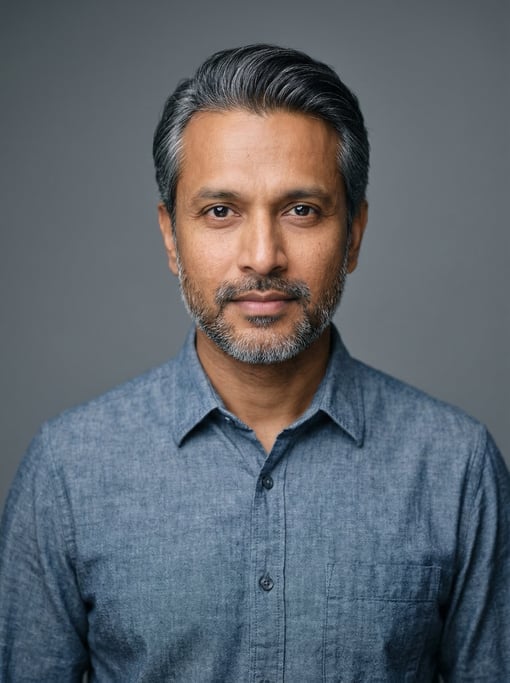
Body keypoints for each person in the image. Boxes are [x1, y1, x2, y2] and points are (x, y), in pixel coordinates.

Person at [0, 44, 509, 682]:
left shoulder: (456, 469)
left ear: (352, 234)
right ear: (170, 236)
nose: (263, 256)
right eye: (221, 211)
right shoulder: (67, 472)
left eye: (302, 210)